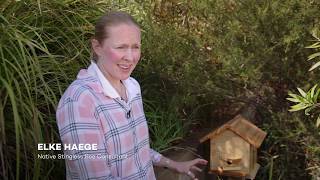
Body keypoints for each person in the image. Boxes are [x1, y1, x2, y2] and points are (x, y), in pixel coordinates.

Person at [56, 11, 207, 180]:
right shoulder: (80, 102)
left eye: (135, 47)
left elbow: (136, 149)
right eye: (120, 47)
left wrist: (174, 164)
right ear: (97, 47)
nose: (130, 57)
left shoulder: (132, 87)